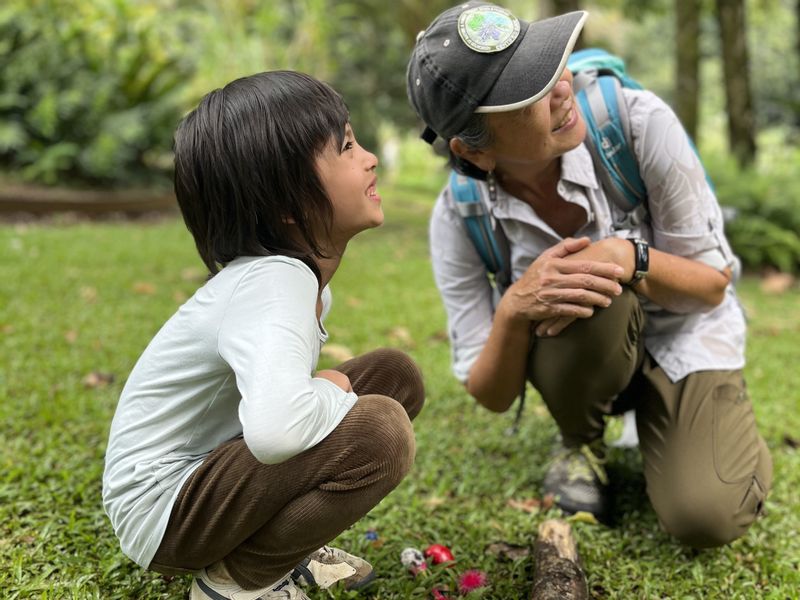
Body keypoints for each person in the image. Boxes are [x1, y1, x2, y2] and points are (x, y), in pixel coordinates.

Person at [406, 1, 771, 547]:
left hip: (686, 336)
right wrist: (514, 308)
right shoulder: (460, 216)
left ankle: (676, 419)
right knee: (575, 289)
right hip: (588, 357)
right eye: (531, 92)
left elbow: (713, 284)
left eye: (551, 65)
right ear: (473, 151)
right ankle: (582, 441)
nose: (561, 88)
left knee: (705, 516)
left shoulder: (637, 124)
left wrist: (631, 257)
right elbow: (489, 392)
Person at [102, 71, 425, 600]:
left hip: (211, 471)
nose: (368, 158)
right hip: (164, 505)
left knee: (393, 375)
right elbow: (278, 433)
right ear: (288, 206)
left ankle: (284, 542)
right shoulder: (275, 281)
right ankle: (238, 582)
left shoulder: (294, 280)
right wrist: (333, 391)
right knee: (380, 429)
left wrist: (325, 390)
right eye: (345, 147)